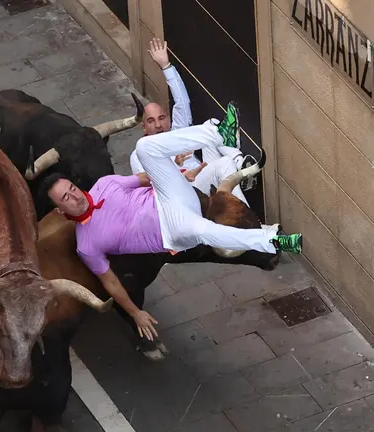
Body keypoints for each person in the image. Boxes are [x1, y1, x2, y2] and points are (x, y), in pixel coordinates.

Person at [42, 103, 302, 358]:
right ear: (61, 211)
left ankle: (217, 132)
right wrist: (135, 313)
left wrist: (177, 174)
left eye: (72, 189)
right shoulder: (86, 243)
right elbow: (110, 281)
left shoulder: (104, 184)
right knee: (204, 231)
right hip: (171, 228)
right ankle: (272, 241)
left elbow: (144, 178)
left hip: (170, 196)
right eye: (66, 198)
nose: (74, 197)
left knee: (145, 147)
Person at [129, 38, 257, 203]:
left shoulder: (177, 132)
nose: (158, 125)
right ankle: (239, 176)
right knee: (225, 164)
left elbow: (182, 102)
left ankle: (239, 164)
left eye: (161, 118)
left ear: (168, 119)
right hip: (186, 193)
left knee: (210, 125)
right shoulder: (139, 154)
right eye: (151, 121)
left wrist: (165, 66)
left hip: (204, 175)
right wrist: (176, 167)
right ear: (144, 126)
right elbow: (150, 188)